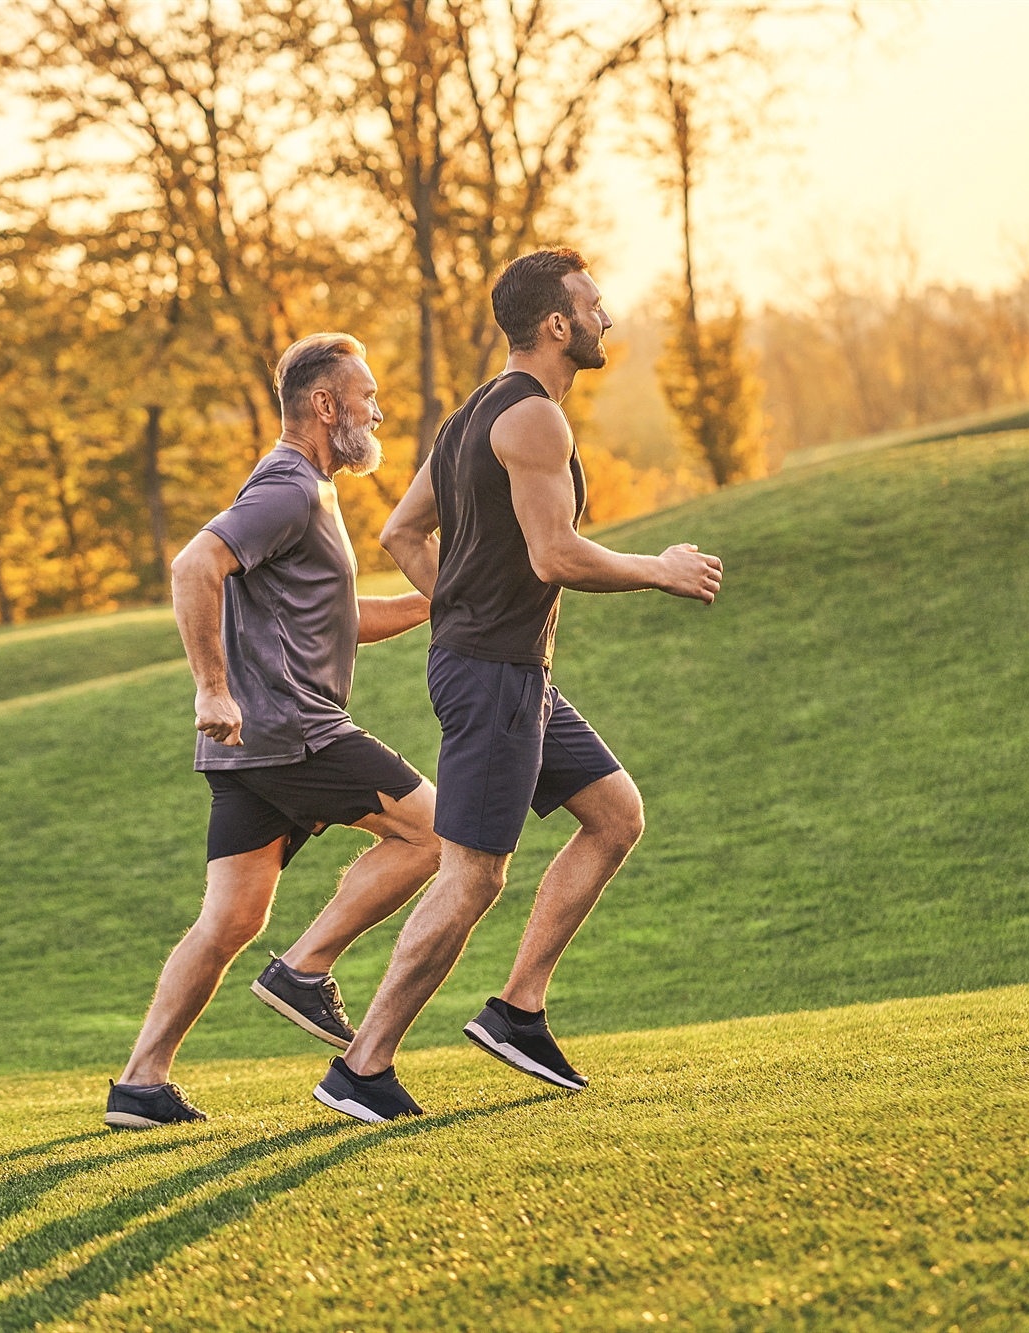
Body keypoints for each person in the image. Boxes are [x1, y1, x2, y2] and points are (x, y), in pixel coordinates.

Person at [310, 249, 724, 1124]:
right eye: (594, 305)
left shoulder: (470, 417)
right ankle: (362, 1065)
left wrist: (458, 605)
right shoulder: (534, 419)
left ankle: (518, 1009)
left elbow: (400, 532)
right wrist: (660, 568)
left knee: (615, 814)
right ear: (557, 324)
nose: (607, 318)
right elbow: (555, 554)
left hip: (506, 668)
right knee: (472, 876)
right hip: (494, 672)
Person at [104, 333, 442, 1130]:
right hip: (295, 731)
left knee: (229, 920)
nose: (377, 411)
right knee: (437, 832)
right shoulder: (290, 487)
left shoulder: (306, 491)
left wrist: (438, 601)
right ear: (325, 405)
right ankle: (304, 968)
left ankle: (140, 1083)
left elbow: (340, 619)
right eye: (365, 395)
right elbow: (194, 565)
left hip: (254, 747)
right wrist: (211, 688)